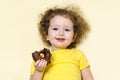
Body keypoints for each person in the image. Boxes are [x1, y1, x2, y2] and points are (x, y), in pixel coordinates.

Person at [30, 5, 94, 80]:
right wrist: (39, 71)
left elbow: (88, 78)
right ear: (46, 34)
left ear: (74, 37)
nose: (61, 33)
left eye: (67, 30)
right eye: (55, 28)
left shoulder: (78, 55)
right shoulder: (39, 61)